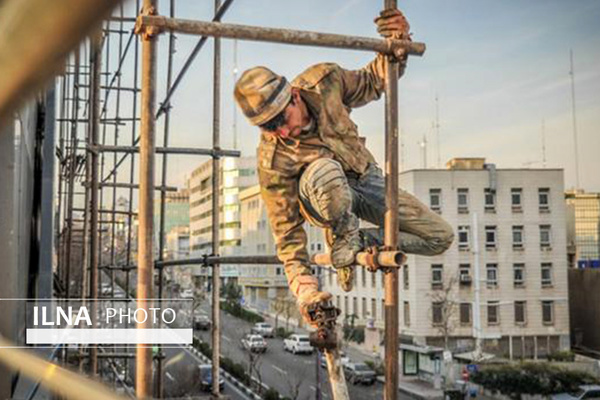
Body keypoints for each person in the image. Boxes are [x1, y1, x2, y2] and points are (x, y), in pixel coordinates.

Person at [234, 8, 454, 326]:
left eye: (282, 119)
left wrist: (399, 42)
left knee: (440, 237)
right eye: (269, 127)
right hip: (322, 195)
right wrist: (306, 292)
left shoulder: (325, 82)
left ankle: (354, 242)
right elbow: (288, 235)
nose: (281, 132)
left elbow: (373, 82)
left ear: (294, 96)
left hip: (365, 179)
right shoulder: (273, 160)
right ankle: (342, 231)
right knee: (324, 170)